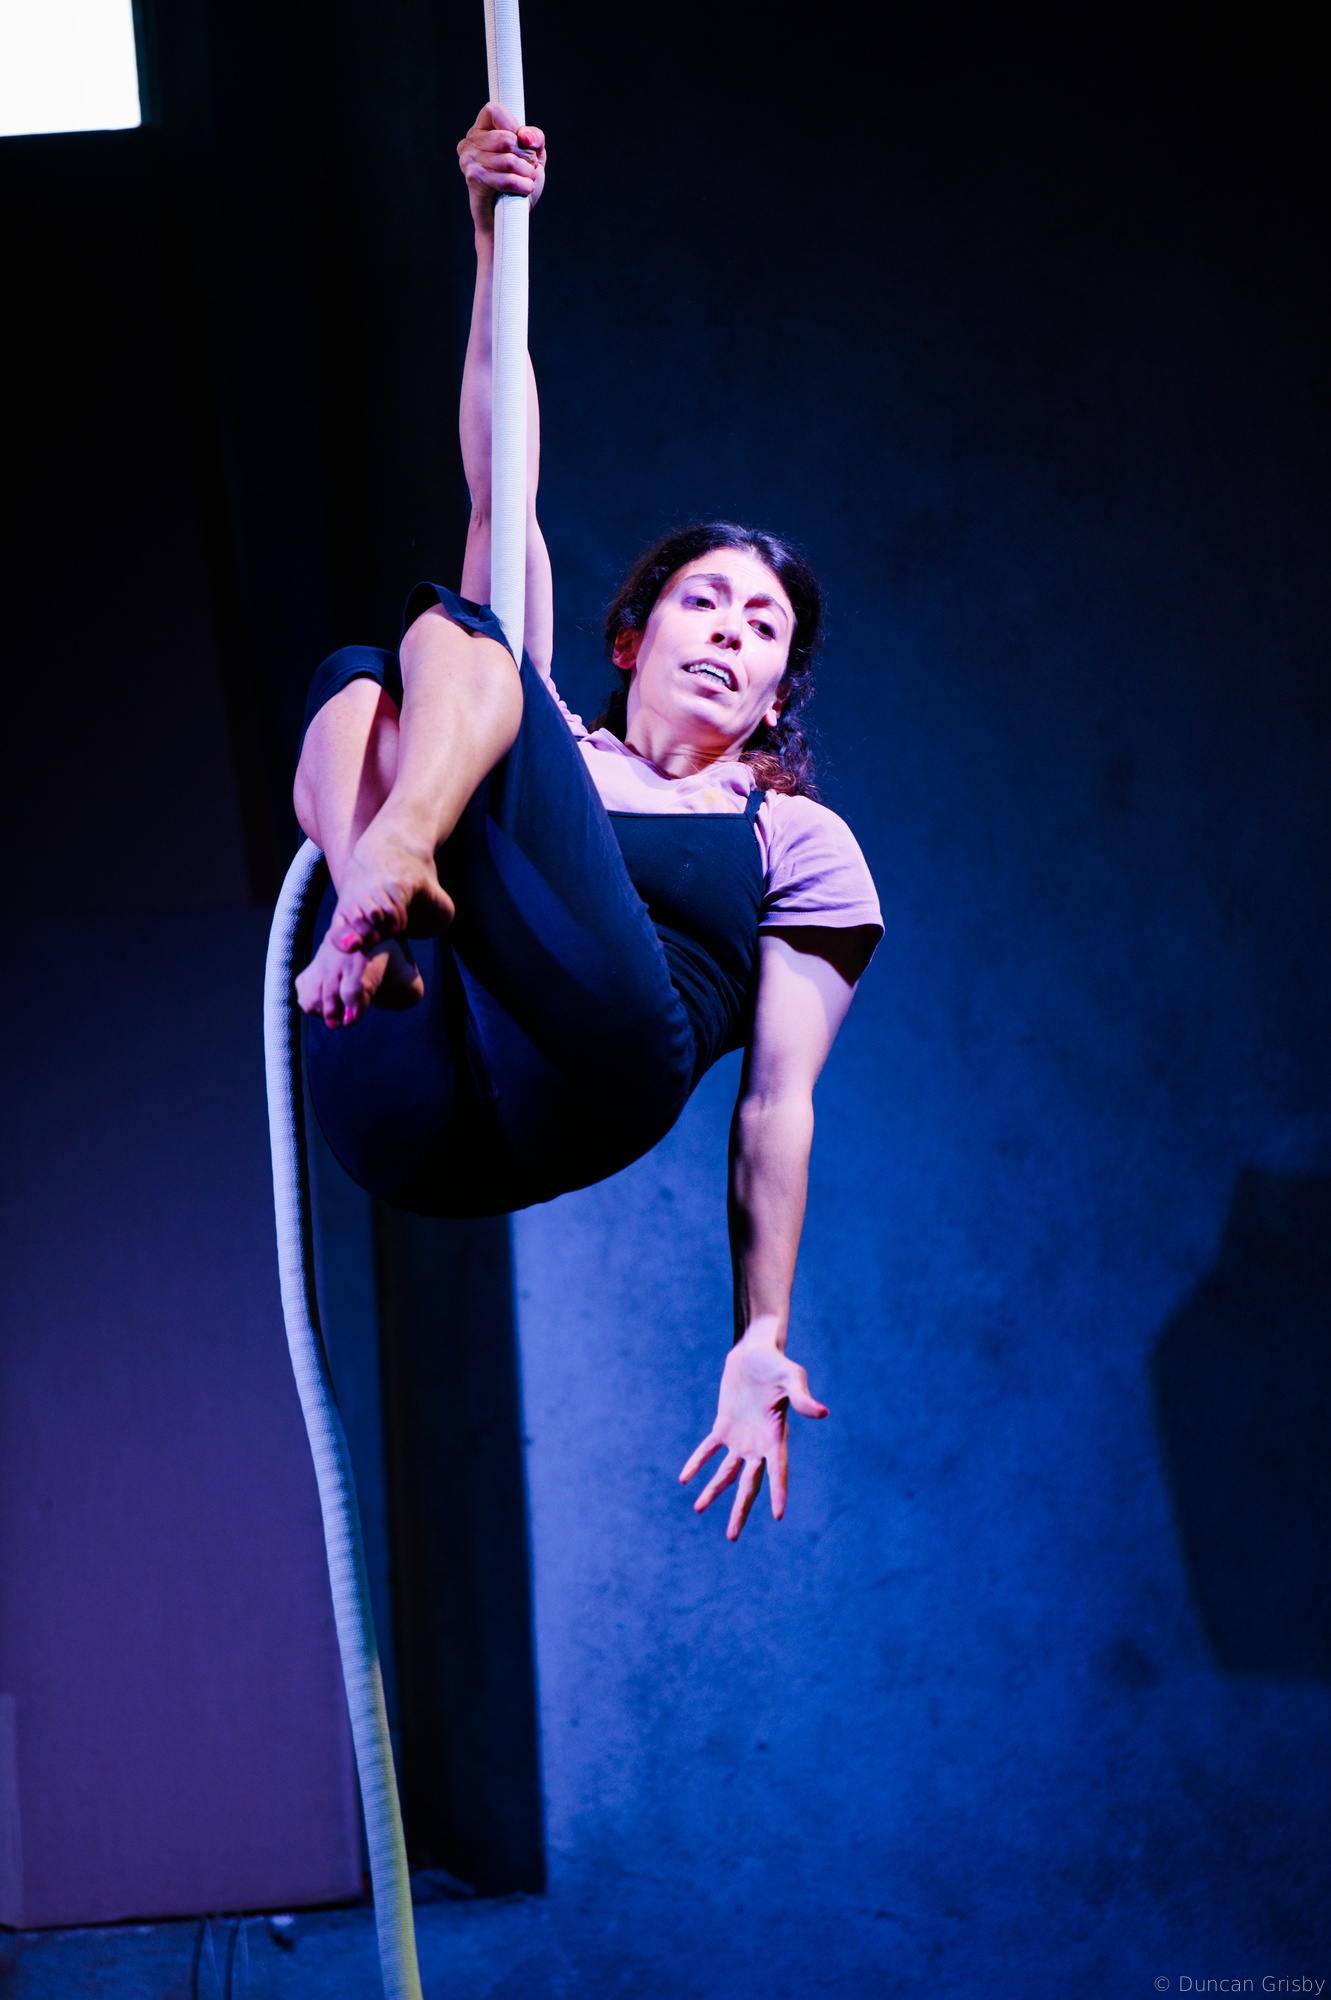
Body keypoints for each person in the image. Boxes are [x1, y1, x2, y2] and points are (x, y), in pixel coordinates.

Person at [291, 103, 883, 1542]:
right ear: (633, 636)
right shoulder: (531, 724)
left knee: (465, 647)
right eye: (705, 601)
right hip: (405, 1093)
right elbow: (504, 470)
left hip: (601, 1063)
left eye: (766, 628)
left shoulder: (794, 839)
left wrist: (759, 1330)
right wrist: (493, 234)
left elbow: (778, 1101)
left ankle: (388, 862)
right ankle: (380, 893)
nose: (732, 631)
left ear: (778, 693)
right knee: (388, 665)